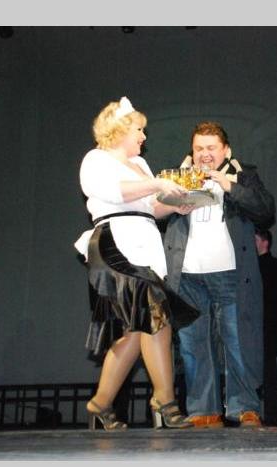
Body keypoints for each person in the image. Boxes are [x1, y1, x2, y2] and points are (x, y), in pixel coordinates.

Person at [74, 96, 199, 431]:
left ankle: (100, 404)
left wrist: (175, 206)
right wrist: (157, 183)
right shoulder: (96, 159)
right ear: (119, 130)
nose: (144, 136)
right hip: (115, 243)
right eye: (139, 130)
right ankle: (165, 400)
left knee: (133, 330)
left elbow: (149, 208)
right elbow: (114, 193)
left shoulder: (141, 165)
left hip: (145, 243)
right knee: (155, 309)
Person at [163, 121, 275, 428]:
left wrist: (228, 186)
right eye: (199, 148)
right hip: (188, 275)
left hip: (230, 274)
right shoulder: (178, 176)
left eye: (211, 148)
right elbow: (157, 214)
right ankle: (203, 410)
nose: (205, 154)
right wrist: (173, 197)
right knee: (193, 344)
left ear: (226, 150)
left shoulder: (242, 174)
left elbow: (266, 211)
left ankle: (244, 407)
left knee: (238, 342)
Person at [255, 228, 277, 426]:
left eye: (255, 239)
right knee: (255, 372)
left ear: (265, 242)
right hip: (256, 327)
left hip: (268, 327)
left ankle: (272, 416)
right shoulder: (250, 266)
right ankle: (251, 412)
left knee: (268, 373)